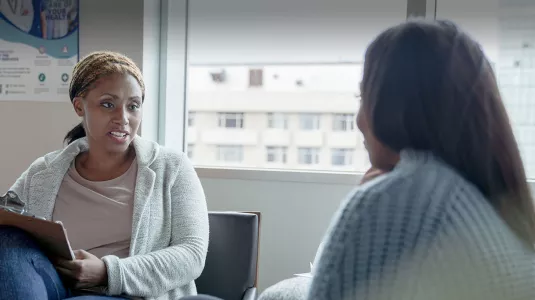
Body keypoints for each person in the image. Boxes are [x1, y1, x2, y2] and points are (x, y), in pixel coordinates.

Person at [308, 19, 535, 300]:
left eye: (362, 96)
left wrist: (373, 198)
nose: (358, 120)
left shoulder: (395, 203)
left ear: (390, 103)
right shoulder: (503, 215)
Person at [0, 51, 210, 300]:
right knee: (7, 240)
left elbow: (192, 255)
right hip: (53, 288)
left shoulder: (172, 167)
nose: (123, 119)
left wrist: (107, 272)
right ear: (80, 106)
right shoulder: (44, 171)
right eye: (108, 104)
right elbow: (8, 218)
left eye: (133, 106)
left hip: (127, 293)